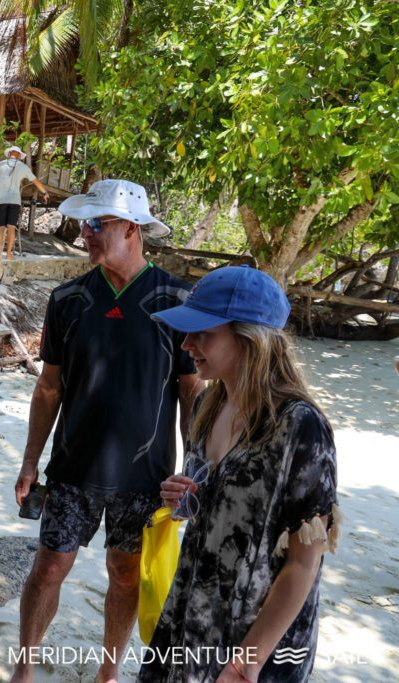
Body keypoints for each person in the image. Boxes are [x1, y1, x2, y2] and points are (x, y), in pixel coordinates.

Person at [12, 179, 201, 683]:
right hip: (72, 468)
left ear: (132, 229)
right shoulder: (68, 299)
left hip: (146, 478)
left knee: (124, 573)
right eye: (83, 223)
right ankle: (25, 666)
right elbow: (48, 388)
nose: (84, 233)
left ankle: (108, 672)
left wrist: (194, 469)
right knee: (49, 567)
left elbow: (192, 391)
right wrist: (31, 460)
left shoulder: (176, 300)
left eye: (96, 223)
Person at [138, 266, 341, 683]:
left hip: (254, 645)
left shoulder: (299, 426)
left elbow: (304, 564)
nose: (187, 344)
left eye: (203, 333)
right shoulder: (207, 405)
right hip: (191, 615)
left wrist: (244, 665)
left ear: (251, 338)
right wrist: (186, 498)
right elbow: (214, 509)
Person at [0, 146, 50, 260]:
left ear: (9, 153)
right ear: (19, 155)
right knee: (11, 227)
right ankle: (9, 254)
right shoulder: (23, 167)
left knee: (0, 227)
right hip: (14, 200)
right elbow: (35, 181)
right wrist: (45, 192)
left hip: (1, 200)